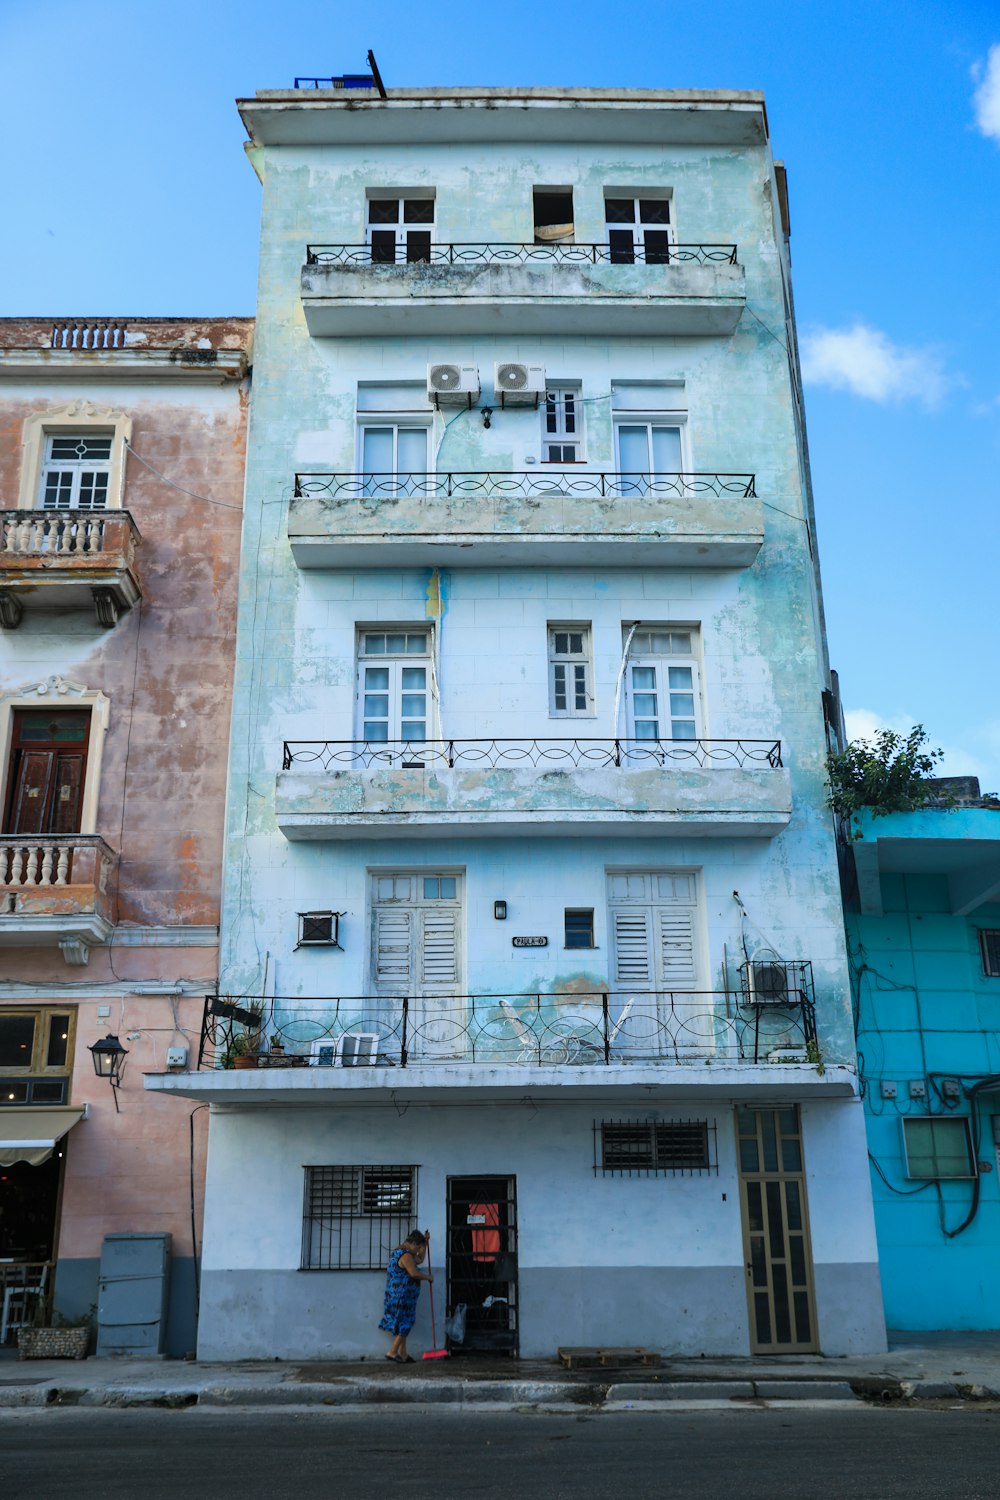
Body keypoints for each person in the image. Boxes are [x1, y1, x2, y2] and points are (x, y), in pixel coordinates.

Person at [379, 1228, 432, 1362]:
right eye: (418, 1247)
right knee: (407, 1322)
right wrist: (428, 1277)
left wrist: (425, 1243)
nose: (418, 1251)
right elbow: (414, 1273)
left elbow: (419, 1259)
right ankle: (392, 1351)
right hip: (401, 1296)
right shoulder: (406, 1255)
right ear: (412, 1243)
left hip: (397, 1295)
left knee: (402, 1323)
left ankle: (403, 1353)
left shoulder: (401, 1251)